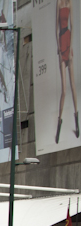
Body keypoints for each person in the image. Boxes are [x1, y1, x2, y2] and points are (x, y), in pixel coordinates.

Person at [56, 0, 80, 143]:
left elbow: (73, 24)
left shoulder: (69, 3)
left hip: (68, 40)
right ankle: (59, 123)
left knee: (73, 86)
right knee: (64, 90)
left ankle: (77, 120)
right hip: (61, 41)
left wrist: (70, 47)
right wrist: (59, 49)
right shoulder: (59, 3)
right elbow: (56, 28)